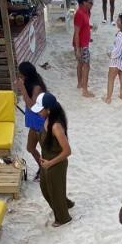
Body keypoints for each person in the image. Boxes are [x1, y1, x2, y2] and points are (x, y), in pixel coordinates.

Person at [34, 93, 73, 226]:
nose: (38, 111)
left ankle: (62, 218)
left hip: (56, 164)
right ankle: (66, 204)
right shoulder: (47, 119)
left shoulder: (56, 126)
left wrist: (50, 163)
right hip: (47, 162)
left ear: (48, 109)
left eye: (40, 108)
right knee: (45, 188)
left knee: (54, 192)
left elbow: (67, 151)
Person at [16, 61, 47, 173]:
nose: (19, 76)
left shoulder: (37, 87)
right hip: (34, 124)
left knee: (46, 151)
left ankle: (45, 170)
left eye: (20, 74)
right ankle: (41, 167)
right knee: (30, 148)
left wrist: (22, 88)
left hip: (42, 124)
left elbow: (32, 105)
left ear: (26, 75)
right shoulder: (29, 84)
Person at [73, 0, 96, 99]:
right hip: (81, 45)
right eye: (90, 3)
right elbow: (76, 32)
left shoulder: (87, 12)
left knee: (81, 64)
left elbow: (84, 27)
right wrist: (78, 49)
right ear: (83, 2)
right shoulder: (79, 14)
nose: (92, 4)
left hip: (84, 42)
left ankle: (80, 84)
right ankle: (85, 90)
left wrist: (89, 32)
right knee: (86, 66)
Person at [105, 14, 122, 103]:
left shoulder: (120, 35)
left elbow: (118, 49)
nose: (117, 21)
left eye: (118, 21)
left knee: (110, 79)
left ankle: (108, 98)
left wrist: (111, 55)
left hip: (116, 61)